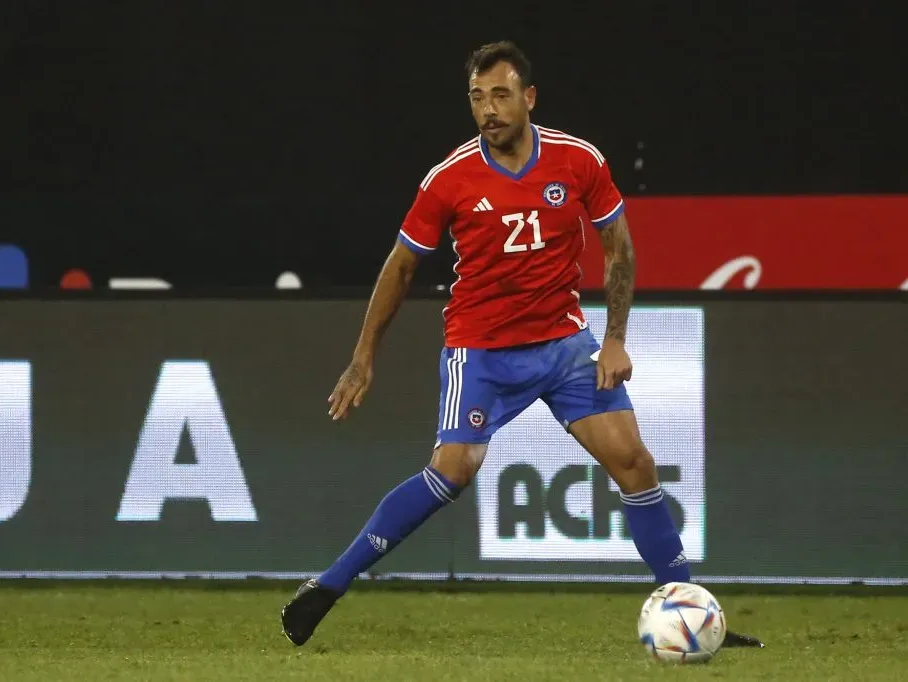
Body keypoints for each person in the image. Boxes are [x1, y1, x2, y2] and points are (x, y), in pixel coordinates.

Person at [281, 40, 763, 650]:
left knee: (635, 464)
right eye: (478, 98)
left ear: (528, 98)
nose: (489, 109)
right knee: (453, 471)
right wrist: (362, 357)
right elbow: (400, 266)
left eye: (501, 96)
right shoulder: (449, 179)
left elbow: (618, 246)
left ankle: (693, 613)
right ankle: (326, 587)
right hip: (480, 349)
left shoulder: (577, 161)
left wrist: (614, 340)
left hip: (563, 345)